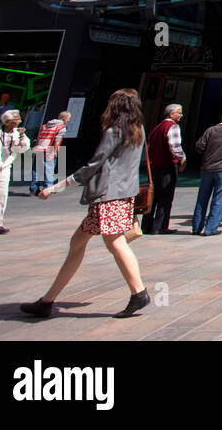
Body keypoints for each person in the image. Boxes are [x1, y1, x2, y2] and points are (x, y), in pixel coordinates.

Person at [21, 88, 151, 319]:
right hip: (123, 195)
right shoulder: (138, 130)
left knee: (116, 244)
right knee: (78, 242)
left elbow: (94, 165)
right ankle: (48, 300)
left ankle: (139, 292)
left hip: (109, 197)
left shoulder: (114, 131)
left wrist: (57, 186)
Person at [143, 103, 185, 234]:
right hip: (167, 166)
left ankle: (147, 224)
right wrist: (182, 158)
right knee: (165, 197)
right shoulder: (173, 126)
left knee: (154, 196)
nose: (181, 115)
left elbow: (148, 146)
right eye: (179, 113)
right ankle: (160, 226)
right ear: (171, 114)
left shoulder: (156, 128)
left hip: (155, 166)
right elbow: (174, 145)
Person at [29, 111, 71, 195]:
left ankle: (34, 188)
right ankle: (48, 187)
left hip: (39, 148)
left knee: (36, 169)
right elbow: (57, 140)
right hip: (49, 150)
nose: (68, 121)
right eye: (68, 119)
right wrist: (55, 151)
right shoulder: (61, 127)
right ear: (65, 118)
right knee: (49, 169)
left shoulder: (45, 125)